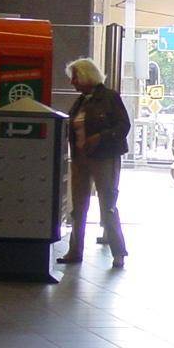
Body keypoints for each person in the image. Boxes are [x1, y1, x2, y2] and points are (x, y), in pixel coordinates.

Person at [59, 58, 131, 268]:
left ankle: (118, 252)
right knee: (78, 207)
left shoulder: (109, 98)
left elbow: (123, 125)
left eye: (75, 77)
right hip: (80, 159)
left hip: (105, 158)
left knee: (107, 204)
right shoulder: (81, 101)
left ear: (85, 76)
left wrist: (99, 137)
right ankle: (75, 250)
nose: (72, 82)